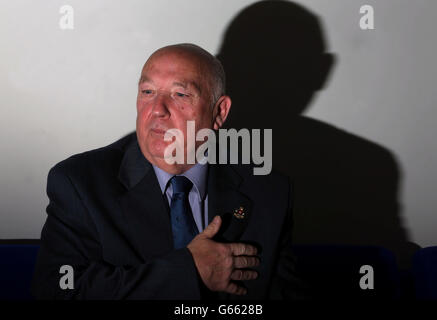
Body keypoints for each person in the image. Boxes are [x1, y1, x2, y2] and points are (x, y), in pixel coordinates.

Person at [31, 43, 303, 299]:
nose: (157, 110)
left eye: (180, 94)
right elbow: (57, 290)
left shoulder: (268, 190)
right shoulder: (80, 182)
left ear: (219, 112)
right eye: (147, 92)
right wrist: (188, 272)